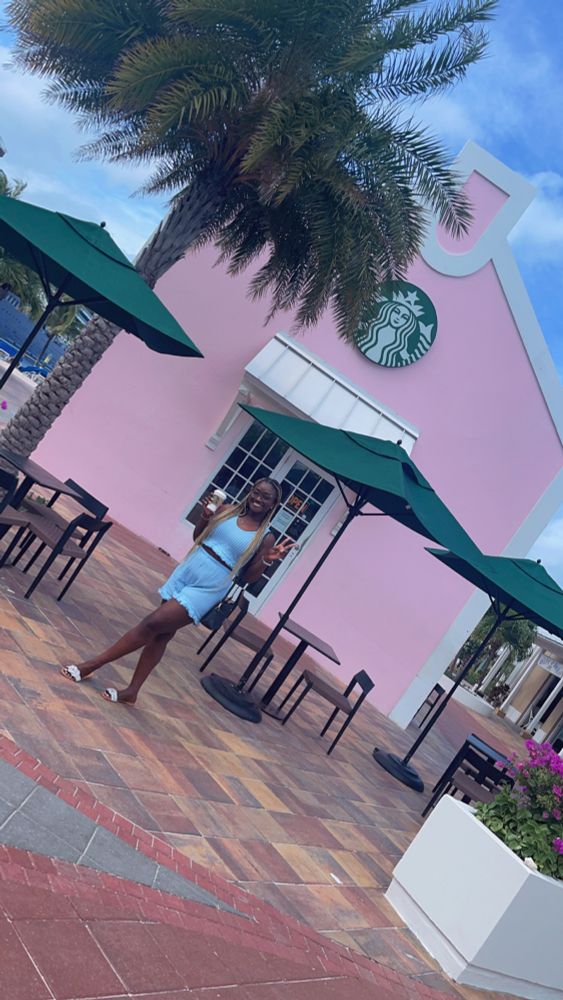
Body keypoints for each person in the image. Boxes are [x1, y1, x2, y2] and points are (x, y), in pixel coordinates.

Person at [60, 478, 293, 704]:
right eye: (256, 492)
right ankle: (132, 692)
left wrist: (266, 560)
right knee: (162, 634)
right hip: (189, 569)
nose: (258, 498)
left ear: (273, 504)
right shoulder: (229, 510)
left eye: (266, 497)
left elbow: (247, 577)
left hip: (210, 585)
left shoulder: (265, 536)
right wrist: (205, 516)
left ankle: (91, 665)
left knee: (152, 624)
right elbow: (198, 536)